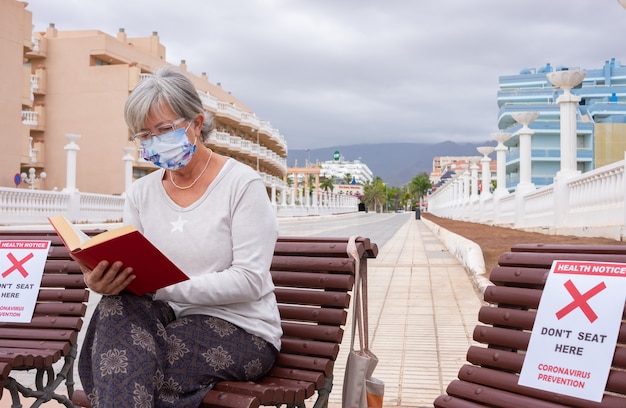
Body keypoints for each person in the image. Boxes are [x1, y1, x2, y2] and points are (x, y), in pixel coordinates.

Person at [76, 66, 282, 407]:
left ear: (196, 124)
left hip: (241, 329)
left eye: (165, 129)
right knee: (115, 310)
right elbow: (133, 266)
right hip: (163, 321)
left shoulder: (241, 185)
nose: (155, 142)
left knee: (125, 370)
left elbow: (250, 280)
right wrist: (102, 280)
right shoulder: (140, 194)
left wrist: (161, 287)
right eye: (144, 136)